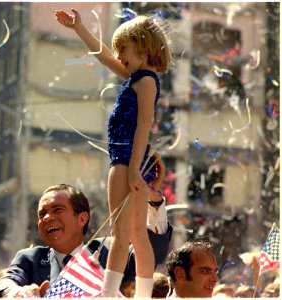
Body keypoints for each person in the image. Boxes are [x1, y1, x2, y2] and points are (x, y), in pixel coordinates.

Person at [55, 8, 171, 297]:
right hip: (128, 159)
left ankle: (109, 294)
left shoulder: (145, 81)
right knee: (133, 235)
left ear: (143, 46)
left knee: (123, 235)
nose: (119, 55)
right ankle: (138, 293)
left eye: (125, 49)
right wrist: (79, 28)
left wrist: (133, 169)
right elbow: (104, 55)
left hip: (127, 160)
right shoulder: (137, 76)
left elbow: (144, 126)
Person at [0, 153, 173, 298]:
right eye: (42, 213)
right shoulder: (30, 259)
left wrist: (153, 198)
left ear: (82, 219)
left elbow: (154, 251)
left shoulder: (113, 250)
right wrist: (19, 293)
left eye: (57, 210)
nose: (47, 218)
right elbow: (1, 285)